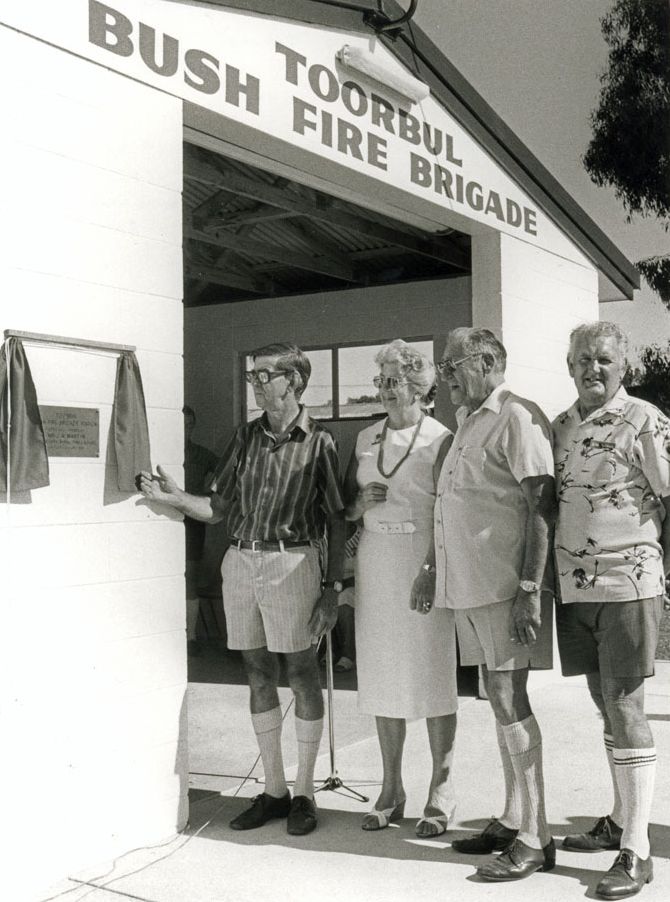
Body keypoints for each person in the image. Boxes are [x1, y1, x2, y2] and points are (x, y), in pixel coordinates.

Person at [139, 342, 346, 837]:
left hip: (294, 561)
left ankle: (305, 793)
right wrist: (173, 499)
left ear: (293, 382)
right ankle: (274, 790)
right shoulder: (246, 437)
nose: (255, 383)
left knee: (300, 672)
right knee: (255, 670)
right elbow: (217, 507)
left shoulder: (320, 442)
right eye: (252, 375)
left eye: (263, 375)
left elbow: (337, 520)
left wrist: (333, 588)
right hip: (241, 560)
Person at [412, 327, 557, 881]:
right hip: (466, 588)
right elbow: (451, 509)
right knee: (497, 699)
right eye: (444, 367)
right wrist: (431, 569)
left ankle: (536, 837)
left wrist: (528, 590)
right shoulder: (467, 423)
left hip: (501, 589)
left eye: (453, 365)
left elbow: (540, 508)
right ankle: (513, 816)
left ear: (489, 361)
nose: (445, 376)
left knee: (507, 696)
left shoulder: (517, 417)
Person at [553, 321, 670, 899]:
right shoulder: (561, 425)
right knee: (604, 701)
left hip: (628, 581)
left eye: (603, 360)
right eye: (582, 359)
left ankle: (639, 851)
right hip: (575, 588)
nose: (591, 369)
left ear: (623, 367)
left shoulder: (646, 419)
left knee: (625, 702)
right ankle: (622, 818)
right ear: (568, 364)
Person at [344, 339, 458, 837]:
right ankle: (391, 787)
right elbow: (347, 508)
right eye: (382, 381)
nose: (386, 390)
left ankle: (441, 788)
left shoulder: (441, 438)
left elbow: (446, 511)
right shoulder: (365, 437)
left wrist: (431, 568)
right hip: (376, 560)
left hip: (421, 561)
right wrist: (355, 505)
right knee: (383, 675)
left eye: (395, 381)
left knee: (431, 675)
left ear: (419, 384)